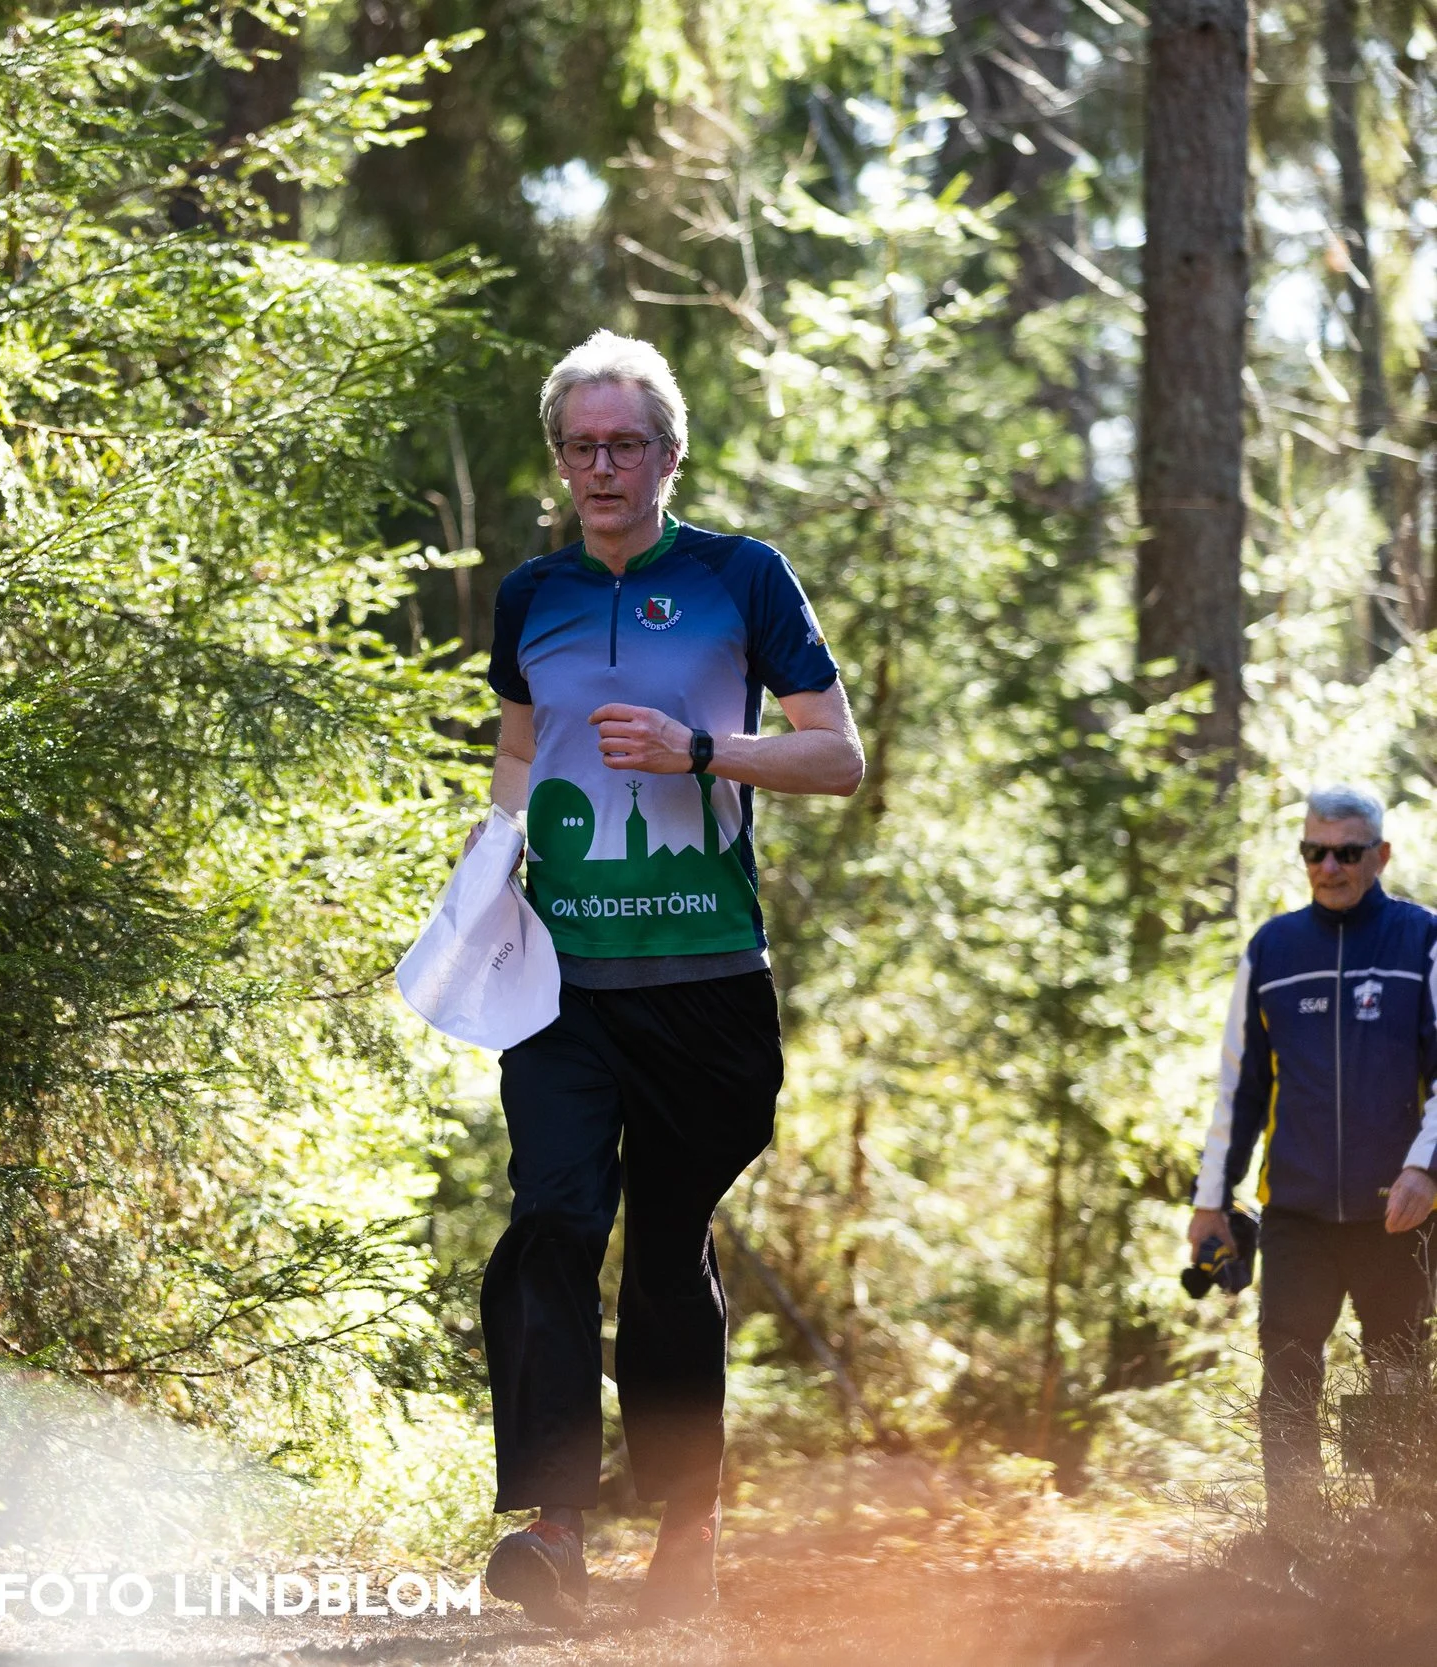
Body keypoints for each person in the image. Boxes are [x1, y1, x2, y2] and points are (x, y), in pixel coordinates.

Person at [476, 329, 863, 1624]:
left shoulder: (743, 577)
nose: (601, 466)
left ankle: (687, 1529)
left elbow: (839, 756)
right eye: (581, 445)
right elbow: (519, 763)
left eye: (623, 443)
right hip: (562, 981)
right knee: (552, 1219)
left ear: (668, 454)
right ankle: (554, 1528)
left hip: (706, 983)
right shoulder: (529, 594)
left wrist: (707, 750)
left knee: (663, 1254)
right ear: (561, 458)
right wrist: (489, 870)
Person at [1190, 784, 1437, 1538]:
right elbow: (1239, 1084)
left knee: (1395, 1375)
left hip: (1397, 1212)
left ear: (1380, 856)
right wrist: (1211, 1201)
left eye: (1346, 852)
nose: (1328, 866)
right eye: (1313, 851)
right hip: (1294, 1212)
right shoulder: (1273, 948)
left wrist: (1425, 1167)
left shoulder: (1422, 939)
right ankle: (1296, 1541)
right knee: (1289, 1371)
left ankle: (1394, 1543)